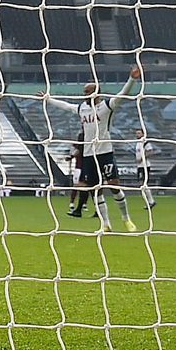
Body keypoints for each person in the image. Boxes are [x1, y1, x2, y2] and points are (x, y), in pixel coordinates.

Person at [42, 66, 143, 232]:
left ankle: (126, 219)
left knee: (114, 186)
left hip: (105, 152)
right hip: (89, 155)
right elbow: (66, 106)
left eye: (87, 92)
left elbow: (122, 94)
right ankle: (106, 224)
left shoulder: (107, 106)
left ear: (96, 93)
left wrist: (132, 79)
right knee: (96, 190)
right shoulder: (82, 108)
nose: (84, 95)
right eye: (84, 92)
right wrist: (48, 99)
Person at [135, 128, 157, 209]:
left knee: (143, 184)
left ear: (143, 134)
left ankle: (151, 201)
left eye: (139, 133)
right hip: (140, 166)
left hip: (145, 166)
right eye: (136, 133)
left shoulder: (145, 142)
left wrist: (142, 158)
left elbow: (150, 151)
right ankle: (149, 201)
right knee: (142, 184)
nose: (137, 135)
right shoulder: (138, 143)